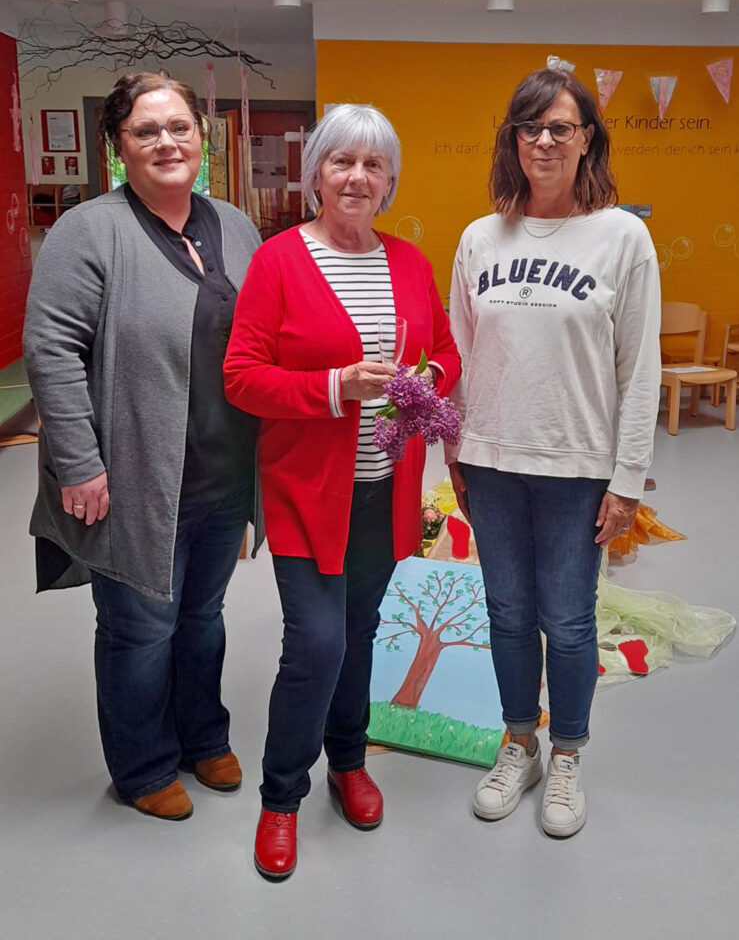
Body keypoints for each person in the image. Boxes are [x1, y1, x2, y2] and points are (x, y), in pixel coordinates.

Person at [224, 103, 461, 879]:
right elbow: (242, 375)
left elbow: (445, 354)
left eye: (373, 165)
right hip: (303, 493)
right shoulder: (278, 261)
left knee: (357, 638)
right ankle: (281, 797)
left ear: (389, 181)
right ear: (315, 173)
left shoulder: (408, 262)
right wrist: (332, 387)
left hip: (384, 492)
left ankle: (348, 763)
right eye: (341, 161)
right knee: (317, 643)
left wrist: (423, 380)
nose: (357, 177)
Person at [24, 71, 262, 821]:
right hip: (131, 475)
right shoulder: (90, 230)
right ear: (118, 147)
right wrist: (80, 461)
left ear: (202, 137)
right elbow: (51, 348)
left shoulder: (235, 224)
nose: (166, 142)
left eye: (179, 127)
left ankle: (202, 737)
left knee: (202, 616)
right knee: (140, 625)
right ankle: (142, 764)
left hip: (222, 472)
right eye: (145, 131)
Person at [446, 68, 661, 837]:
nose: (543, 141)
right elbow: (461, 358)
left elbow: (640, 370)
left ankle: (566, 754)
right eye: (529, 127)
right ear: (512, 140)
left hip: (577, 469)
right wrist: (453, 453)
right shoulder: (479, 237)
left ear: (586, 141)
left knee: (567, 622)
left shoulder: (622, 237)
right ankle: (518, 742)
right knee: (506, 614)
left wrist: (626, 479)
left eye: (559, 127)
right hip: (492, 462)